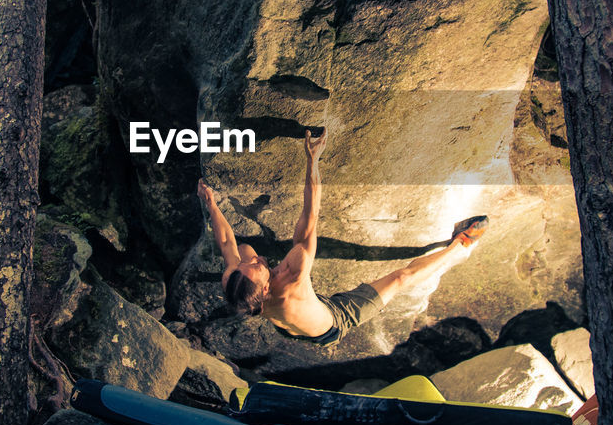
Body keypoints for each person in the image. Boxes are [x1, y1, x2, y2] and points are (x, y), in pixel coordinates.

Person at [196, 127, 488, 345]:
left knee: (242, 247)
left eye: (251, 264)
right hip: (334, 321)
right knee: (400, 279)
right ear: (263, 291)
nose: (259, 259)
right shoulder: (293, 277)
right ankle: (461, 245)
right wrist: (313, 161)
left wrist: (210, 204)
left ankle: (300, 315)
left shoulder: (238, 285)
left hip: (292, 323)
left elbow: (226, 243)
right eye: (260, 266)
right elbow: (311, 213)